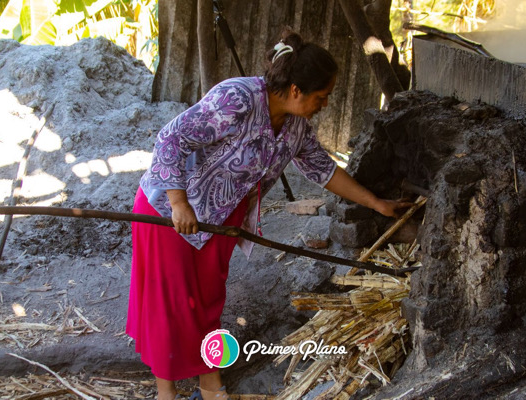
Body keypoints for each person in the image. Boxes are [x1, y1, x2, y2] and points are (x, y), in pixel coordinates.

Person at [127, 29, 411, 400]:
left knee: (208, 299)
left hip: (221, 220)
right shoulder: (237, 98)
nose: (324, 104)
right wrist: (179, 203)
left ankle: (209, 383)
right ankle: (166, 391)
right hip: (169, 210)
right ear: (296, 90)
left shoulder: (295, 126)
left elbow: (323, 170)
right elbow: (171, 138)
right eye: (321, 97)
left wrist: (376, 203)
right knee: (172, 303)